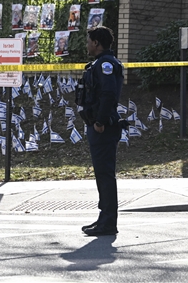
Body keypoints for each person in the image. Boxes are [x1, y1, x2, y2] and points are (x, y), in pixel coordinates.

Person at [76, 26, 124, 236]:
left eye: (89, 41)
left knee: (105, 175)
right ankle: (103, 219)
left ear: (96, 43)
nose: (87, 44)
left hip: (103, 127)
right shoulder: (101, 63)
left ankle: (108, 223)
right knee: (102, 175)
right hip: (97, 125)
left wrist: (100, 121)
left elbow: (108, 94)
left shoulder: (105, 64)